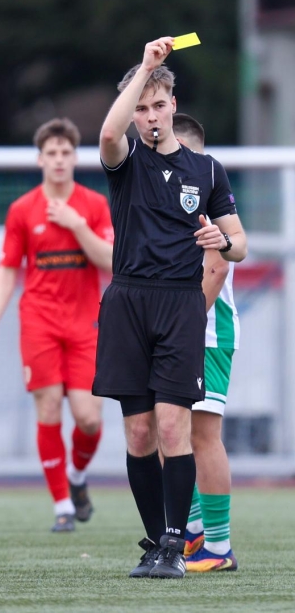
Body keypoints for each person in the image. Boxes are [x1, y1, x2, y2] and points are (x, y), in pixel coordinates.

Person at [95, 38, 247, 579]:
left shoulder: (206, 170)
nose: (151, 116)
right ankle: (154, 540)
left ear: (173, 106)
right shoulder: (125, 161)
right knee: (139, 434)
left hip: (181, 304)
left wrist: (220, 240)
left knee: (173, 427)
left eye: (158, 105)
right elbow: (107, 134)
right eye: (142, 108)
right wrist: (145, 68)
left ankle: (176, 544)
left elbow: (239, 244)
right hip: (128, 301)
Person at [0, 118, 113, 532]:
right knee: (48, 407)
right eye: (51, 153)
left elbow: (110, 261)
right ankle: (62, 507)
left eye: (66, 152)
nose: (58, 160)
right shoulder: (22, 209)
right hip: (39, 322)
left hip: (87, 323)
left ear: (75, 158)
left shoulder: (93, 205)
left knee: (89, 418)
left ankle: (76, 477)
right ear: (40, 160)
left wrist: (76, 224)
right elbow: (7, 268)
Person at [171, 113, 239, 572]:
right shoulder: (160, 195)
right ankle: (194, 530)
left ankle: (218, 546)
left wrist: (184, 323)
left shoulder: (203, 194)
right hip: (173, 329)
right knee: (164, 428)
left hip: (207, 331)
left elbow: (218, 266)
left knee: (202, 435)